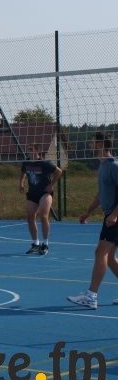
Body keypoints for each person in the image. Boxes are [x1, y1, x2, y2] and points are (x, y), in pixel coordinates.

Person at [67, 132, 118, 309]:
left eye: (93, 142)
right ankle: (91, 295)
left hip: (115, 217)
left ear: (100, 144)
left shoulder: (113, 166)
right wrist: (87, 212)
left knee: (100, 253)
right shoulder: (102, 166)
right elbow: (101, 194)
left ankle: (91, 296)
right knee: (109, 257)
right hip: (110, 215)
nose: (90, 144)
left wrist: (115, 215)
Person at [19, 145, 62, 255]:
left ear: (37, 151)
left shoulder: (44, 163)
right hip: (32, 193)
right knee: (30, 217)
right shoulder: (26, 162)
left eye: (31, 149)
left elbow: (59, 171)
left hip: (44, 193)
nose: (29, 152)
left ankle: (45, 244)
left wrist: (51, 185)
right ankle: (35, 244)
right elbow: (23, 172)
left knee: (43, 216)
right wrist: (21, 183)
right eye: (28, 149)